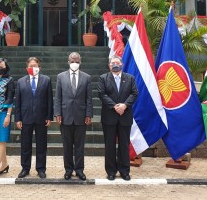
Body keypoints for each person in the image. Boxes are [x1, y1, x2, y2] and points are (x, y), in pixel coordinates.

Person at [98, 55, 138, 181]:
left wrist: (125, 105)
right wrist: (115, 106)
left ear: (122, 64)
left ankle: (124, 171)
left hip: (125, 116)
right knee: (109, 145)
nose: (115, 64)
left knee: (124, 145)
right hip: (109, 117)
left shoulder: (130, 78)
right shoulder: (103, 78)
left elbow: (134, 93)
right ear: (109, 66)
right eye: (113, 63)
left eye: (117, 62)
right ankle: (111, 171)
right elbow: (101, 94)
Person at [54, 52, 93, 181]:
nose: (74, 63)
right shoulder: (61, 77)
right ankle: (68, 170)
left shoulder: (86, 77)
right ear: (68, 61)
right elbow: (58, 97)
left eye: (77, 61)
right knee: (67, 146)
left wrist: (88, 114)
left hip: (81, 117)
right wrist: (58, 113)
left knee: (80, 146)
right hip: (65, 116)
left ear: (80, 62)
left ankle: (79, 170)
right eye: (72, 61)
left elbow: (89, 98)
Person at [15, 57, 53, 179]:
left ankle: (41, 169)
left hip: (41, 117)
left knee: (41, 145)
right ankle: (25, 168)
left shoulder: (46, 80)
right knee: (25, 145)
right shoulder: (21, 81)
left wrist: (49, 116)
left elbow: (49, 100)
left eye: (35, 65)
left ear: (39, 67)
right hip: (25, 118)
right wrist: (18, 118)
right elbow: (18, 101)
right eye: (30, 66)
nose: (33, 68)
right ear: (27, 68)